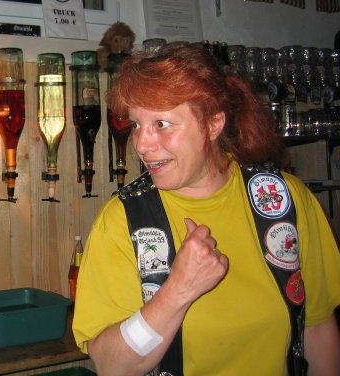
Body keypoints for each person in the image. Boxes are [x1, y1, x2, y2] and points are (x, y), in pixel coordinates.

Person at [72, 43, 340, 376]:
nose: (141, 144)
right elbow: (111, 365)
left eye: (162, 124)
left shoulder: (285, 200)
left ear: (213, 125)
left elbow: (318, 326)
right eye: (137, 125)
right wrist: (177, 291)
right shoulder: (123, 220)